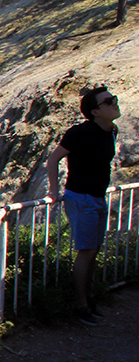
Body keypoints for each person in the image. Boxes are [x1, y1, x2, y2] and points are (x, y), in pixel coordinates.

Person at [46, 86, 120, 326]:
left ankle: (88, 298)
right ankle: (81, 305)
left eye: (114, 99)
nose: (115, 103)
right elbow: (54, 159)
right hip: (81, 197)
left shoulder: (111, 131)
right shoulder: (80, 132)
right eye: (109, 101)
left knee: (94, 250)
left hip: (98, 197)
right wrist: (55, 191)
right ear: (96, 111)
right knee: (86, 251)